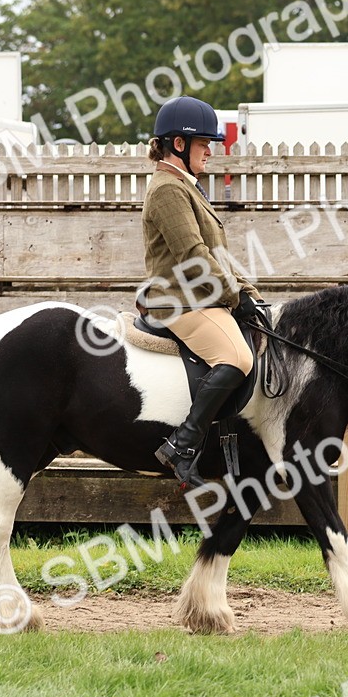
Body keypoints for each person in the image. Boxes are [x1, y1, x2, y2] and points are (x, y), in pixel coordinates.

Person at [138, 96, 262, 488]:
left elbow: (216, 255)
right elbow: (194, 257)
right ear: (179, 145)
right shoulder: (168, 191)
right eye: (204, 144)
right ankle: (182, 444)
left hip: (201, 296)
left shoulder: (186, 187)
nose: (210, 151)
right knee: (238, 355)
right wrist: (232, 298)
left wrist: (248, 294)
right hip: (179, 301)